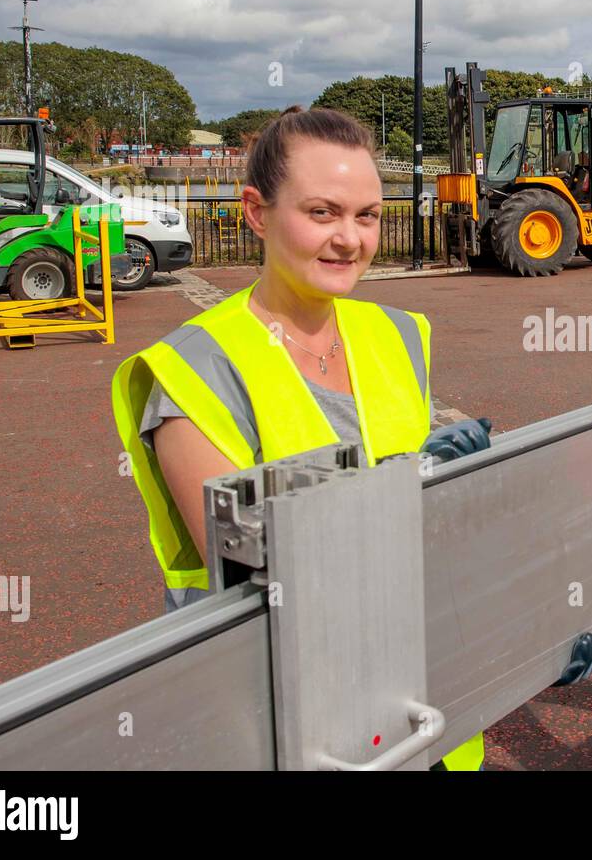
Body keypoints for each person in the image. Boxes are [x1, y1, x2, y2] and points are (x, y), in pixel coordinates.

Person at [111, 106, 488, 771]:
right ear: (256, 212)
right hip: (286, 726)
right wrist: (404, 490)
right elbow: (263, 581)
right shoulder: (196, 372)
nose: (350, 238)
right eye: (322, 213)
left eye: (367, 215)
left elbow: (443, 540)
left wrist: (516, 627)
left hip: (417, 709)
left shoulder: (397, 334)